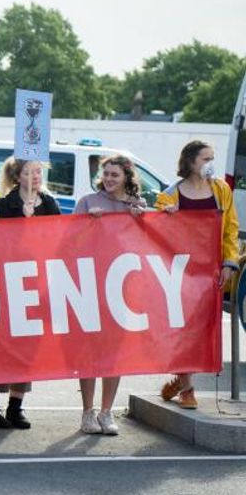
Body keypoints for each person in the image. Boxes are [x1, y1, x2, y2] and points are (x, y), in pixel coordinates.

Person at [0, 157, 61, 430]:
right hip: (9, 282)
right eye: (28, 172)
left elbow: (59, 239)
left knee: (28, 345)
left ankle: (16, 405)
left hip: (37, 282)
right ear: (17, 176)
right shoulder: (5, 204)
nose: (35, 177)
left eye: (38, 172)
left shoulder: (49, 204)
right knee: (3, 346)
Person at [156, 140, 239, 410]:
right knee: (182, 329)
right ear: (190, 162)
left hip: (210, 271)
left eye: (212, 158)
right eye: (206, 158)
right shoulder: (170, 194)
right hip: (178, 272)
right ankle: (187, 387)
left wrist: (229, 262)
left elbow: (230, 229)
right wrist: (165, 217)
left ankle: (180, 379)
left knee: (202, 330)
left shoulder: (221, 190)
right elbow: (154, 232)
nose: (210, 163)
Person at [73, 155, 148, 435]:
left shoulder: (137, 205)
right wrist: (88, 224)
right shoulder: (87, 201)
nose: (109, 179)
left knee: (114, 352)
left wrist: (144, 221)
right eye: (106, 174)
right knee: (90, 350)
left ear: (127, 177)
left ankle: (107, 412)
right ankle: (87, 412)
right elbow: (69, 239)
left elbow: (147, 243)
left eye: (115, 174)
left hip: (122, 285)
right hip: (92, 283)